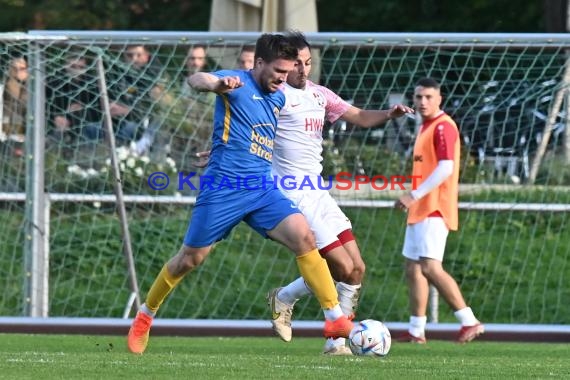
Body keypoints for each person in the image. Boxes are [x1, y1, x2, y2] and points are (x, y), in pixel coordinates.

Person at [127, 33, 354, 355]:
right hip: (223, 190)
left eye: (288, 71)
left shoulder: (278, 97)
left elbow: (265, 137)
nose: (283, 78)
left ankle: (334, 319)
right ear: (259, 63)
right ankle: (144, 316)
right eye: (278, 70)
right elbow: (196, 79)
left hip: (261, 188)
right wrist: (214, 85)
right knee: (190, 260)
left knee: (304, 238)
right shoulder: (236, 83)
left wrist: (220, 146)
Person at [266, 31, 414, 355]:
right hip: (292, 195)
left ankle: (332, 340)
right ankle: (297, 308)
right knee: (340, 267)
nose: (303, 70)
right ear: (283, 66)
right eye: (296, 64)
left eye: (308, 62)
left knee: (356, 269)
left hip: (318, 192)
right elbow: (248, 130)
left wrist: (388, 115)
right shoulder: (276, 97)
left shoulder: (320, 95)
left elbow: (359, 116)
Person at [395, 77, 484, 344]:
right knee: (413, 268)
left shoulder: (444, 126)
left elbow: (446, 167)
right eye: (418, 96)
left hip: (434, 207)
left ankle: (469, 321)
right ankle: (416, 330)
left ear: (439, 99)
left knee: (431, 267)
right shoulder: (426, 126)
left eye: (428, 97)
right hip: (421, 208)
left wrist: (414, 194)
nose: (422, 102)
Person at [108, 44, 171, 155]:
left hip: (146, 125)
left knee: (129, 129)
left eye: (138, 55)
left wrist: (128, 110)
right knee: (91, 129)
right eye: (130, 55)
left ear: (146, 56)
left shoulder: (156, 76)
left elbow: (155, 108)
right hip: (118, 121)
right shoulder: (119, 74)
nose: (134, 59)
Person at [47, 53, 104, 144]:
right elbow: (47, 107)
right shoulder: (55, 82)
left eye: (81, 67)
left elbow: (100, 109)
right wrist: (56, 117)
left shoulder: (92, 83)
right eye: (73, 66)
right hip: (60, 123)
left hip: (87, 123)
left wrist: (83, 108)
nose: (77, 70)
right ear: (65, 66)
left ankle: (67, 139)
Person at [1, 56, 28, 157]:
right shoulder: (2, 91)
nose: (17, 72)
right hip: (5, 140)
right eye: (14, 69)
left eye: (22, 69)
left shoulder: (36, 94)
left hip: (28, 140)